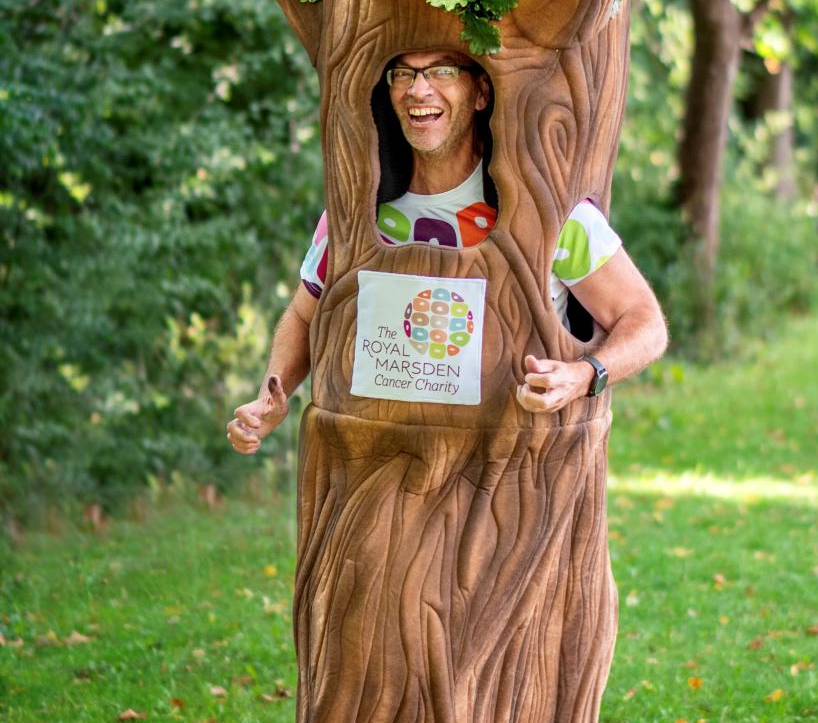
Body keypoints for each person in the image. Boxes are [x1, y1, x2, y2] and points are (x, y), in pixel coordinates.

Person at [226, 46, 667, 454]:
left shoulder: (544, 212)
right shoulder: (358, 213)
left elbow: (644, 322)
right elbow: (307, 313)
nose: (419, 89)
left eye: (442, 71)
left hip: (508, 476)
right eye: (404, 73)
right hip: (383, 472)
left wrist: (584, 375)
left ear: (480, 91)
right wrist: (271, 397)